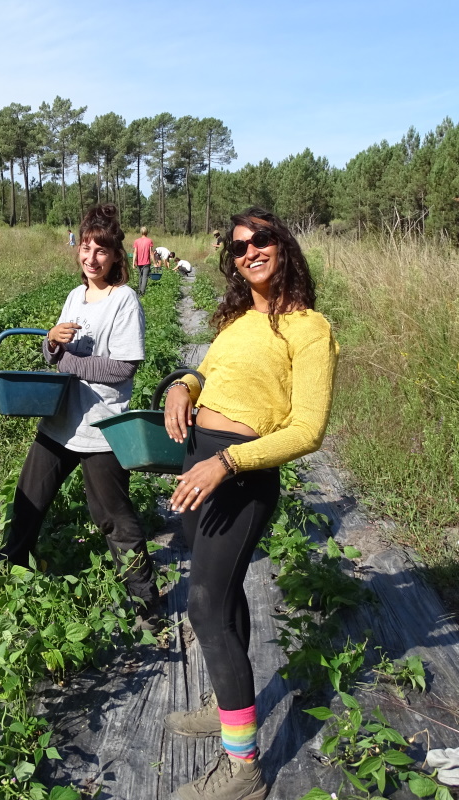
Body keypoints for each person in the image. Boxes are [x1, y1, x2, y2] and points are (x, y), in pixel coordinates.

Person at [162, 207, 339, 799]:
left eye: (261, 239)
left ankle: (243, 771)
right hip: (201, 461)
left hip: (240, 471)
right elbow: (204, 373)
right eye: (239, 247)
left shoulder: (311, 328)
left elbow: (308, 430)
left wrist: (227, 462)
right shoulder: (237, 321)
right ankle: (228, 699)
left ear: (282, 245)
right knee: (222, 584)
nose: (250, 251)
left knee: (207, 605)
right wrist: (178, 388)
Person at [0, 204, 160, 630]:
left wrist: (68, 362)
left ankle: (145, 599)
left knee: (112, 516)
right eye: (86, 248)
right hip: (60, 419)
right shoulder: (74, 296)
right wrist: (51, 342)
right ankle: (10, 564)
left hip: (102, 428)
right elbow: (54, 354)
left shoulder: (124, 300)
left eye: (101, 250)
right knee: (30, 498)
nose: (91, 258)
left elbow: (123, 367)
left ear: (116, 256)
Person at [132, 225, 154, 296]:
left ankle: (139, 291)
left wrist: (133, 263)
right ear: (147, 232)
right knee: (145, 277)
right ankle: (142, 293)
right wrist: (155, 263)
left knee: (140, 276)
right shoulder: (149, 241)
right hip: (146, 262)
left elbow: (135, 252)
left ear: (141, 232)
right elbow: (151, 253)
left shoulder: (136, 241)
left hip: (138, 262)